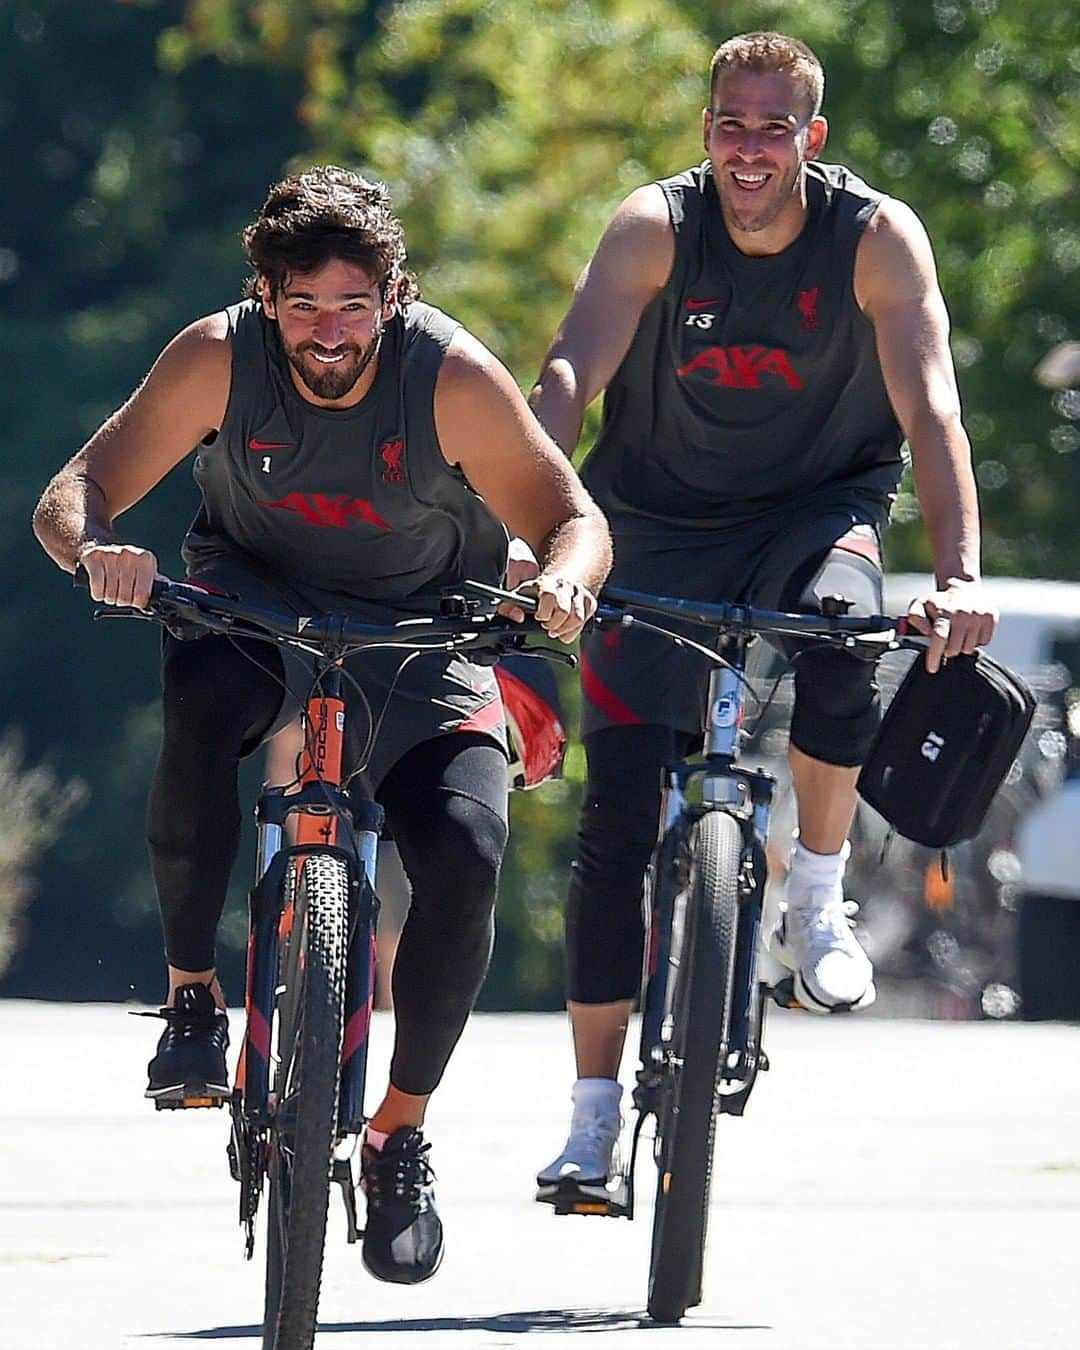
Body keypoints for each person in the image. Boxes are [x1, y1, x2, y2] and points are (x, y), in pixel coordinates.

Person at [32, 166, 611, 1282]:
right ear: (264, 298)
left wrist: (569, 583)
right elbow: (77, 490)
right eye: (303, 307)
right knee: (198, 704)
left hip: (423, 634)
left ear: (392, 299)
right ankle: (194, 1000)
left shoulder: (450, 379)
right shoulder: (217, 356)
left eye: (353, 306)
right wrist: (96, 548)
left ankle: (400, 1131)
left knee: (466, 849)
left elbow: (570, 519)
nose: (328, 332)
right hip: (253, 608)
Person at [529, 31, 997, 1203]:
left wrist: (962, 571)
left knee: (848, 637)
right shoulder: (654, 227)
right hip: (652, 516)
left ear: (812, 137)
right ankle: (590, 1122)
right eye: (730, 124)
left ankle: (813, 900)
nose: (749, 148)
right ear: (706, 131)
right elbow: (567, 377)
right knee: (617, 824)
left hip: (814, 512)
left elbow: (932, 408)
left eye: (773, 125)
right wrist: (537, 528)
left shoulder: (875, 238)